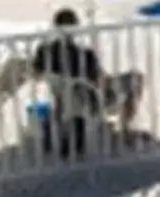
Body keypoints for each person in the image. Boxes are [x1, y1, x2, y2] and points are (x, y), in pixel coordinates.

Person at [30, 8, 143, 155]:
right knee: (136, 78)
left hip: (63, 100)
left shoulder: (43, 51)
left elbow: (36, 75)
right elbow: (101, 82)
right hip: (92, 100)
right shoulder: (84, 55)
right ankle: (125, 128)